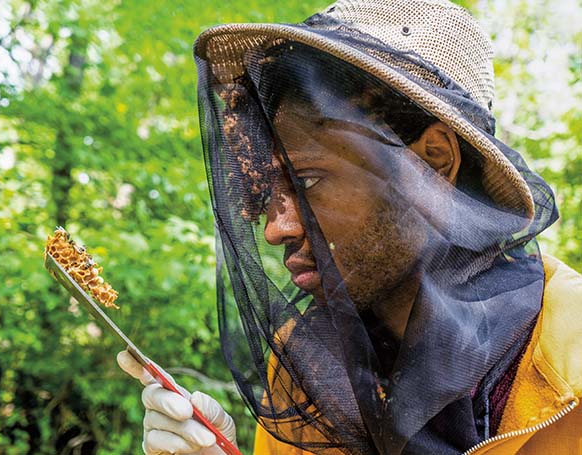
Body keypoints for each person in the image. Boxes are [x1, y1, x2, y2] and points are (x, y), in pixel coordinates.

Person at [118, 0, 582, 453]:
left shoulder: (571, 356)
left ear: (434, 161)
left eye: (308, 181)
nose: (275, 229)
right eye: (268, 189)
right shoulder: (303, 367)